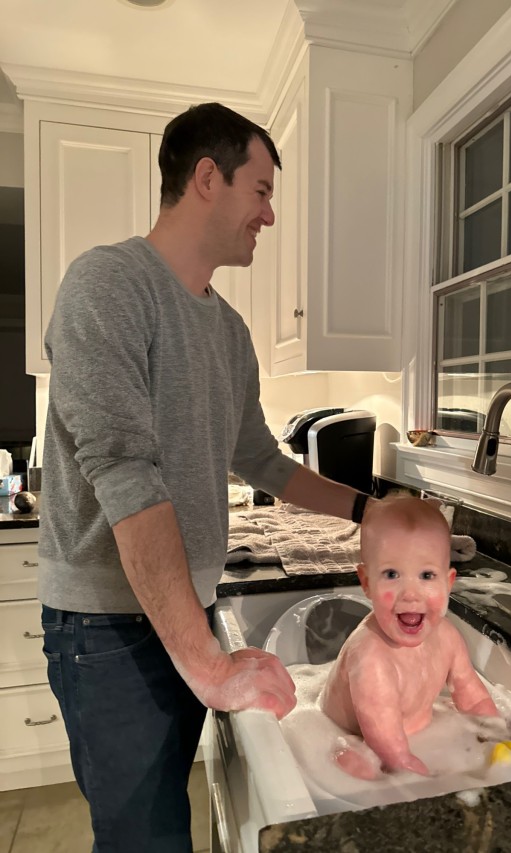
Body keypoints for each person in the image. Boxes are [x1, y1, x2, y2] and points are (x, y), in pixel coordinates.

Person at [38, 102, 374, 853]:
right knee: (143, 839)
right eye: (259, 190)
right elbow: (126, 476)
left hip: (182, 610)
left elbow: (263, 460)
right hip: (108, 631)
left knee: (164, 825)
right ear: (207, 178)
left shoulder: (227, 331)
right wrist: (211, 666)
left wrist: (370, 511)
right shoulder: (107, 285)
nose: (270, 214)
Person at [320, 495, 500, 780]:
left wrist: (497, 733)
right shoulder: (371, 654)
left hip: (414, 732)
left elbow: (472, 696)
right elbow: (387, 738)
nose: (411, 594)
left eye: (427, 575)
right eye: (392, 574)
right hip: (359, 736)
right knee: (359, 764)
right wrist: (415, 774)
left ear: (449, 582)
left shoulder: (448, 637)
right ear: (367, 583)